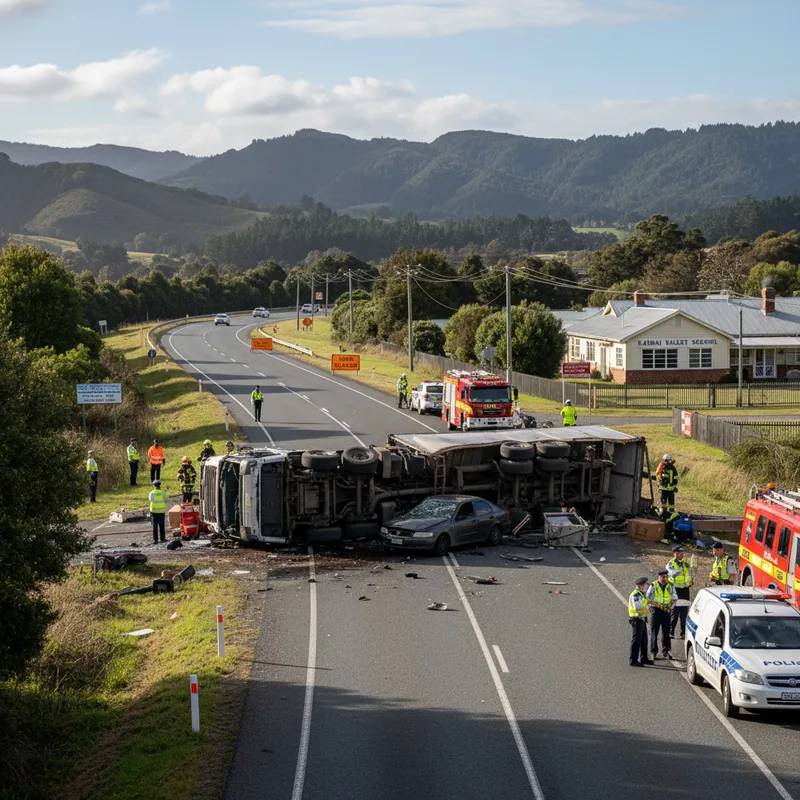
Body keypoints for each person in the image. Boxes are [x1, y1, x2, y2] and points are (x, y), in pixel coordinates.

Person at [646, 569, 677, 660]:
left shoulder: (670, 585)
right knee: (654, 632)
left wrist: (670, 606)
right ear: (658, 577)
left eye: (666, 577)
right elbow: (648, 599)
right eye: (662, 577)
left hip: (666, 611)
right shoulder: (653, 586)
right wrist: (659, 605)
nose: (664, 579)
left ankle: (666, 651)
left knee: (666, 632)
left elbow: (674, 598)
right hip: (656, 611)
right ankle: (653, 651)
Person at [667, 545, 693, 639]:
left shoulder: (684, 563)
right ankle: (671, 631)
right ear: (675, 553)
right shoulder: (671, 563)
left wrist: (691, 578)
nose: (682, 555)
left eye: (682, 553)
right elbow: (671, 573)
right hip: (676, 590)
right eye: (680, 553)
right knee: (674, 612)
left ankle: (683, 632)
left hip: (685, 590)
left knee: (684, 612)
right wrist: (681, 568)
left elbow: (689, 574)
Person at [628, 577, 654, 667]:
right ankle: (633, 660)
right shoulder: (636, 595)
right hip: (637, 620)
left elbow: (645, 603)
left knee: (644, 640)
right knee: (636, 641)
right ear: (640, 585)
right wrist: (648, 611)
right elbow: (638, 608)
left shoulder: (641, 594)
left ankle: (644, 658)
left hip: (642, 620)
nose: (645, 586)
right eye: (644, 584)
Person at [149, 478, 167, 544]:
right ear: (160, 485)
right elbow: (165, 500)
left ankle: (155, 539)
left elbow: (150, 500)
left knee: (155, 526)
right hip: (161, 511)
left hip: (154, 512)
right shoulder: (163, 492)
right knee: (162, 525)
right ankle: (162, 538)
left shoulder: (152, 493)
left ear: (154, 486)